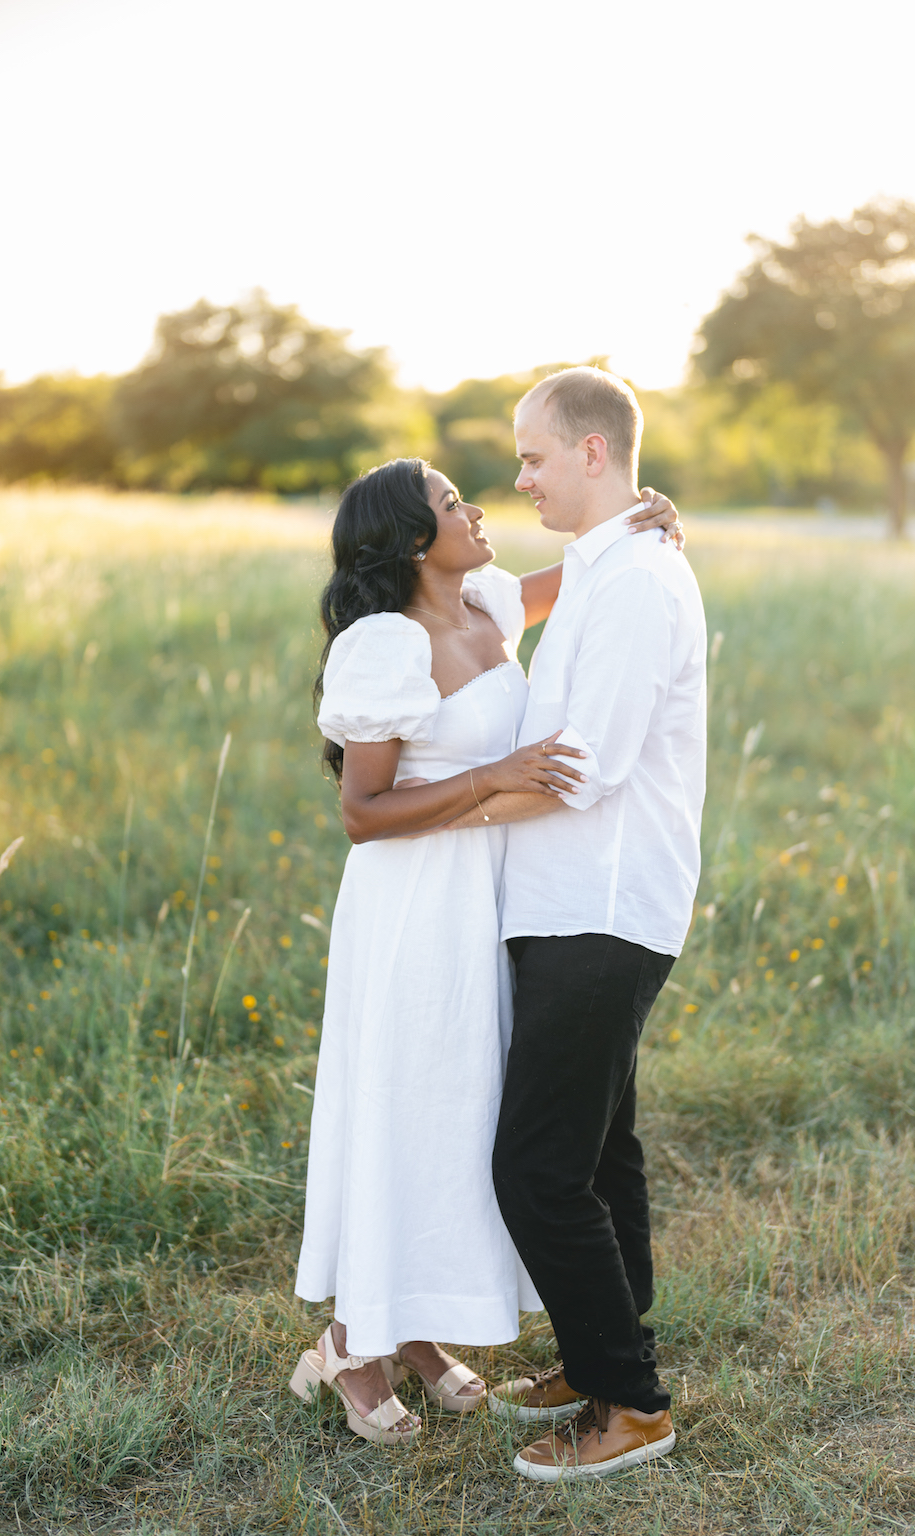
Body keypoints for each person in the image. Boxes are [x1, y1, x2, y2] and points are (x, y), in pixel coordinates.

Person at [288, 455, 683, 1446]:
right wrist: (497, 775)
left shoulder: (490, 604)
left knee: (461, 1122)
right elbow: (363, 812)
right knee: (401, 1109)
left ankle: (415, 1334)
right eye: (453, 503)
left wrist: (643, 519)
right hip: (413, 908)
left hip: (490, 906)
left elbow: (593, 580)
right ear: (415, 541)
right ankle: (351, 1344)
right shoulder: (386, 642)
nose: (476, 509)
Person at [438, 367, 707, 1481]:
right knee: (599, 1152)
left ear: (595, 453)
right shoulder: (604, 567)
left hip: (602, 907)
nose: (519, 477)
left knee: (537, 1167)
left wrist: (425, 816)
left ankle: (629, 1404)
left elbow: (580, 773)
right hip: (563, 907)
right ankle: (607, 1351)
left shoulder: (641, 581)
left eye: (535, 455)